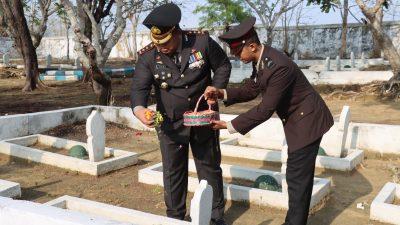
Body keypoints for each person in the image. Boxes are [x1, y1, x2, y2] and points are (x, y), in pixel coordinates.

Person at [204, 17, 334, 225]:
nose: (237, 57)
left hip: (307, 121)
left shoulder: (277, 66)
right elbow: (252, 89)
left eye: (238, 53)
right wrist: (221, 93)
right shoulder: (263, 59)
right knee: (296, 176)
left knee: (297, 177)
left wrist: (230, 125)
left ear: (252, 46)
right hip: (298, 119)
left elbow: (265, 109)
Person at [130, 3, 231, 225]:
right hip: (170, 125)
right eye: (158, 44)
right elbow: (139, 90)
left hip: (203, 118)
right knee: (173, 172)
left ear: (176, 32)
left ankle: (215, 217)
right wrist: (140, 111)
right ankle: (175, 218)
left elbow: (223, 65)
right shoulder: (148, 57)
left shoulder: (201, 42)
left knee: (209, 169)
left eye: (165, 42)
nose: (161, 48)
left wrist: (216, 87)